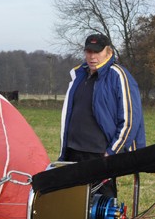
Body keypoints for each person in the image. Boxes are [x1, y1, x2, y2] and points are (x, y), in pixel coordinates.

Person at [58, 33, 145, 197]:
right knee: (72, 202)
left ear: (108, 52)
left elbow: (130, 120)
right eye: (89, 51)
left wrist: (111, 153)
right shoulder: (79, 75)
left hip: (99, 154)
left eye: (97, 52)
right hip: (73, 152)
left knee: (101, 205)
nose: (92, 56)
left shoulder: (118, 75)